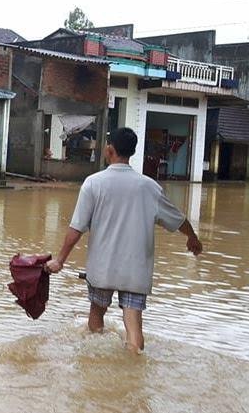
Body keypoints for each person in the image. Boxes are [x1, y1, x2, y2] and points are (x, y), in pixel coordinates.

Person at [45, 127, 203, 352]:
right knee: (134, 327)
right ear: (132, 152)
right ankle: (134, 368)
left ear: (109, 151)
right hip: (136, 271)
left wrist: (60, 260)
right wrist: (193, 239)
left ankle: (95, 362)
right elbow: (179, 220)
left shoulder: (93, 183)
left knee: (96, 315)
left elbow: (76, 229)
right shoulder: (149, 187)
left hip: (102, 269)